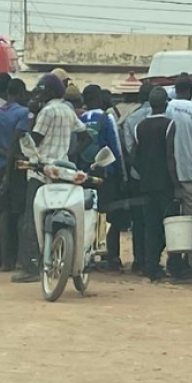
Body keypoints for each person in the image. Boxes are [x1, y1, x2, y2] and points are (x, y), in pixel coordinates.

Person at [13, 73, 88, 283]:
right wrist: (70, 155)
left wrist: (31, 116)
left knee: (32, 218)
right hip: (62, 171)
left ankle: (31, 266)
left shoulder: (46, 112)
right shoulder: (67, 110)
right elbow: (86, 135)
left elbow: (34, 140)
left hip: (41, 171)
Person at [165, 73, 192, 279]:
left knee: (171, 218)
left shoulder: (166, 107)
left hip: (169, 173)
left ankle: (172, 260)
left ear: (176, 88)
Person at [0, 78, 31, 272]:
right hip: (19, 167)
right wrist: (13, 155)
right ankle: (21, 258)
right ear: (20, 93)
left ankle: (5, 260)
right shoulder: (24, 113)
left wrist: (4, 154)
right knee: (20, 213)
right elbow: (19, 140)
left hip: (0, 167)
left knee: (2, 212)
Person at [80, 84, 126, 272]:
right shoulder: (107, 118)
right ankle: (110, 255)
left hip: (85, 174)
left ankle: (89, 254)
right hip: (105, 174)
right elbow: (116, 148)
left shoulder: (81, 118)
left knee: (90, 214)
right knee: (107, 214)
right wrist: (122, 174)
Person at [136, 87, 175, 281]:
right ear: (166, 103)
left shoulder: (140, 126)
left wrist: (144, 173)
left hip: (146, 183)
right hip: (165, 183)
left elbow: (134, 156)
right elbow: (170, 156)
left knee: (150, 226)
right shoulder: (169, 125)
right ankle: (172, 263)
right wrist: (175, 181)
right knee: (168, 224)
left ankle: (150, 265)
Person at [120, 82, 153, 275]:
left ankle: (139, 261)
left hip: (137, 176)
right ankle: (154, 260)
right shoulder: (167, 116)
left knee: (139, 221)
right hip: (161, 177)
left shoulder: (131, 119)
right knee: (157, 220)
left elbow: (129, 152)